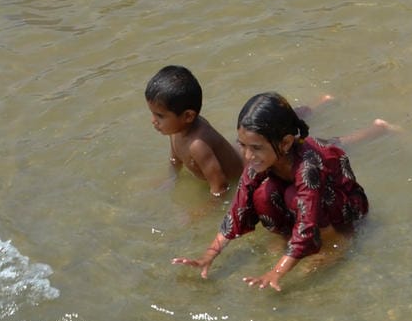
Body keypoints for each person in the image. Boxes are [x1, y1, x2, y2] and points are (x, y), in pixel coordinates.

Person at [174, 93, 371, 292]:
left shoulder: (307, 167)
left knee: (293, 197)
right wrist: (208, 256)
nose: (248, 155)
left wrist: (276, 272)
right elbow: (238, 210)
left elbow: (306, 223)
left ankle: (334, 241)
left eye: (256, 148)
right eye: (243, 145)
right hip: (301, 198)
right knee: (262, 195)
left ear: (285, 143)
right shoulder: (258, 162)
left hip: (342, 204)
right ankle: (286, 237)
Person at [145, 65, 241, 197]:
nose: (153, 120)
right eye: (153, 114)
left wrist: (204, 210)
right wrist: (172, 179)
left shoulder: (198, 146)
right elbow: (175, 159)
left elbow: (221, 186)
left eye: (160, 116)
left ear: (188, 116)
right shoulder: (176, 130)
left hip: (244, 168)